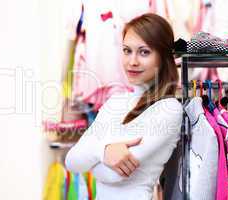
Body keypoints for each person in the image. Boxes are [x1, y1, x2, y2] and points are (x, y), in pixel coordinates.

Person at [65, 13, 183, 200]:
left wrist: (93, 151)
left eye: (144, 52)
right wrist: (104, 150)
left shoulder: (169, 109)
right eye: (127, 50)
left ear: (162, 56)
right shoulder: (116, 102)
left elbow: (111, 175)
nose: (132, 61)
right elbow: (72, 161)